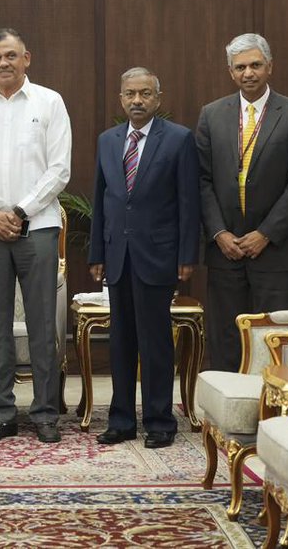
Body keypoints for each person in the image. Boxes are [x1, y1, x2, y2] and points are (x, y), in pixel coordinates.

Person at [0, 28, 71, 444]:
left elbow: (59, 169)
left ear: (27, 58)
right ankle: (2, 412)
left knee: (42, 323)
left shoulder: (50, 102)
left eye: (10, 55)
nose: (3, 63)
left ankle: (45, 413)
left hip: (36, 227)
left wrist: (20, 212)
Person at [89, 67, 199, 449]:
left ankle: (159, 421)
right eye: (130, 94)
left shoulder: (179, 139)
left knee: (155, 342)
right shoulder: (108, 140)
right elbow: (101, 200)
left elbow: (188, 202)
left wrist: (187, 255)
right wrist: (97, 253)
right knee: (120, 340)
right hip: (117, 256)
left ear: (158, 98)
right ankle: (121, 420)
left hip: (158, 255)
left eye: (145, 93)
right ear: (121, 98)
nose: (137, 100)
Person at [196, 33, 288, 373]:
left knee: (275, 340)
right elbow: (201, 180)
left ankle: (274, 404)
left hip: (276, 251)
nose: (248, 73)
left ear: (269, 67)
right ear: (230, 72)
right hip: (226, 250)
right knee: (227, 338)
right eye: (240, 67)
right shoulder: (211, 115)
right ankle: (228, 401)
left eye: (255, 65)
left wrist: (265, 233)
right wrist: (219, 233)